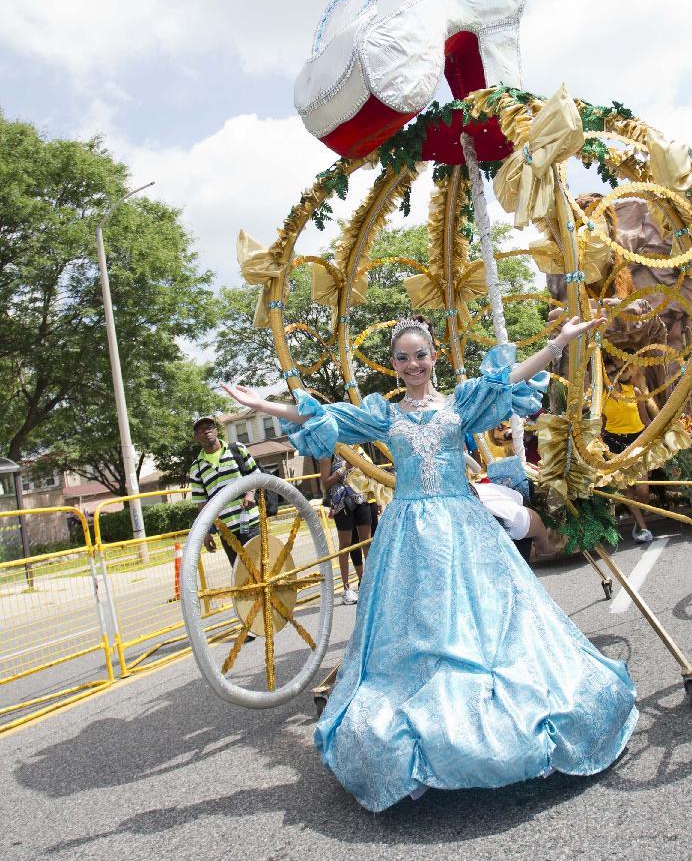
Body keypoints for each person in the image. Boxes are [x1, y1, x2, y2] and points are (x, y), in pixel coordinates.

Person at [221, 313, 639, 814]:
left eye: (420, 354)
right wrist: (262, 404)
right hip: (408, 536)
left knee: (493, 624)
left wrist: (558, 343)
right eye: (403, 358)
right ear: (393, 365)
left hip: (465, 525)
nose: (413, 364)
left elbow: (510, 378)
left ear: (434, 356)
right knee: (417, 634)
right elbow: (320, 416)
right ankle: (425, 744)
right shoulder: (383, 415)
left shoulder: (462, 402)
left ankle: (507, 728)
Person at [189, 415, 259, 566]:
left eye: (209, 427)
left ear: (215, 431)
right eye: (201, 430)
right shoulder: (197, 468)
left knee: (261, 566)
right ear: (196, 437)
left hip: (250, 522)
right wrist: (206, 533)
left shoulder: (237, 449)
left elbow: (256, 475)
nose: (206, 432)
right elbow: (201, 504)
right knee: (241, 575)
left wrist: (250, 493)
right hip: (226, 531)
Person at [601, 368, 655, 544]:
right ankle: (643, 526)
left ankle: (640, 515)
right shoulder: (599, 398)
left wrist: (657, 436)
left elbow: (646, 420)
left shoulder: (634, 391)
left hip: (636, 442)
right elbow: (601, 425)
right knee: (626, 490)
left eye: (613, 373)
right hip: (613, 444)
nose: (611, 376)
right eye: (607, 374)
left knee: (642, 490)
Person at [319, 453, 370, 605]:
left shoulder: (352, 447)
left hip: (361, 498)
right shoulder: (326, 454)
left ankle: (368, 582)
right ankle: (346, 589)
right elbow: (326, 483)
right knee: (345, 545)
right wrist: (343, 469)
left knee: (366, 542)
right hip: (341, 504)